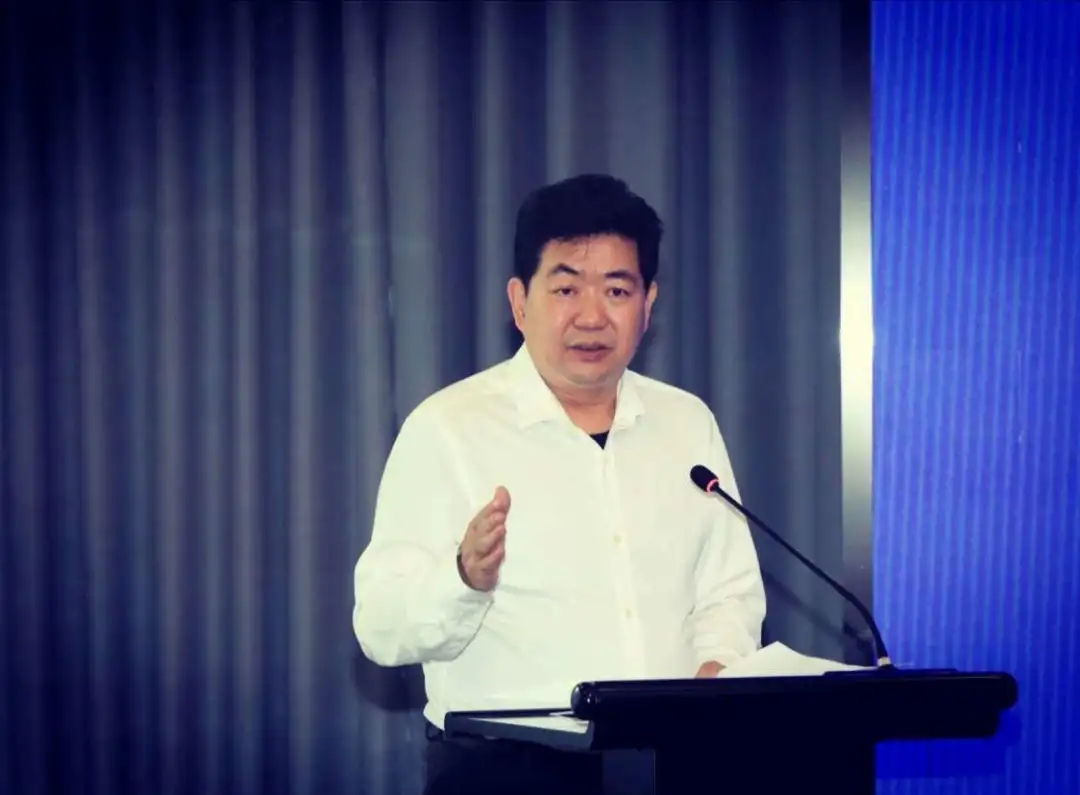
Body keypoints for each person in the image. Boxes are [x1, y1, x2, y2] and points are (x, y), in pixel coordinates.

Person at [352, 174, 766, 795]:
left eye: (617, 290)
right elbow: (380, 626)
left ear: (648, 304)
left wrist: (716, 670)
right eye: (566, 288)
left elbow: (729, 593)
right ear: (520, 302)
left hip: (669, 761)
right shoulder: (448, 429)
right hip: (504, 773)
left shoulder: (687, 424)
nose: (592, 316)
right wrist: (463, 577)